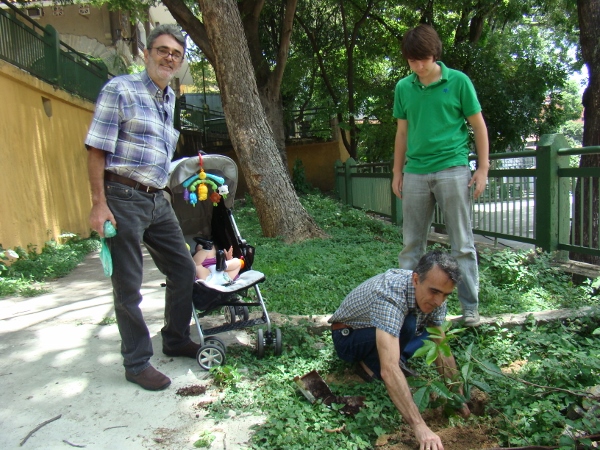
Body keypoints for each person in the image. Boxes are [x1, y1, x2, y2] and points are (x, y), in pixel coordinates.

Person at [85, 24, 199, 391]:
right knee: (128, 285)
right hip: (121, 195)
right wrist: (99, 204)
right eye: (163, 50)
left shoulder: (169, 99)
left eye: (176, 54)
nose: (170, 57)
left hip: (156, 198)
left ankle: (175, 337)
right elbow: (97, 149)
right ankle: (136, 362)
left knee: (183, 270)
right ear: (147, 54)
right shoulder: (120, 90)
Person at [391, 24, 489, 327]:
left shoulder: (458, 82)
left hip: (453, 168)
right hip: (416, 172)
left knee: (461, 243)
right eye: (412, 61)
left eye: (423, 59)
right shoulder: (403, 87)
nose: (418, 66)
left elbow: (479, 126)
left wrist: (483, 168)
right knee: (411, 245)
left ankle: (470, 308)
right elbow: (402, 132)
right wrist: (397, 171)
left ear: (435, 55)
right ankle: (406, 306)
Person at [329, 250, 470, 450]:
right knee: (407, 326)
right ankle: (368, 365)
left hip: (384, 328)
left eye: (446, 295)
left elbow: (440, 344)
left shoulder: (435, 297)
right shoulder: (391, 294)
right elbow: (389, 368)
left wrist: (457, 393)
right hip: (349, 337)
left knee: (428, 333)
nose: (439, 301)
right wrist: (420, 426)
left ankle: (392, 355)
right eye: (434, 292)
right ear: (415, 279)